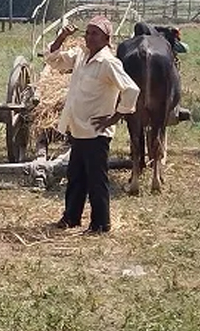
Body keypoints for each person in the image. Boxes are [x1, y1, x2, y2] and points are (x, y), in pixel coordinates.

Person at [46, 15, 139, 234]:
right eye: (87, 33)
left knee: (97, 179)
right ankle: (71, 217)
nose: (89, 37)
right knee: (76, 175)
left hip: (97, 131)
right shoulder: (81, 56)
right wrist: (61, 37)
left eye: (95, 33)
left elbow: (131, 90)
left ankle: (100, 223)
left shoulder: (108, 63)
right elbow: (53, 60)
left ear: (107, 39)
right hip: (78, 127)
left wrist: (114, 117)